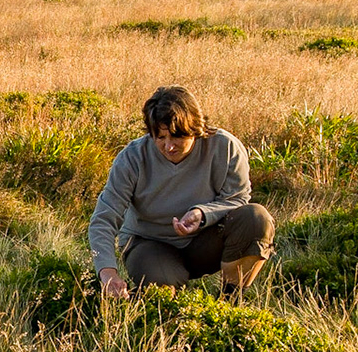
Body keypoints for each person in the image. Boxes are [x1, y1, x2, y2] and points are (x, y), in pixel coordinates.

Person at [88, 86, 274, 297]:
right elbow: (104, 218)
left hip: (205, 240)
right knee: (161, 290)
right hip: (149, 243)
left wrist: (203, 215)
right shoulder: (131, 158)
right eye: (160, 137)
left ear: (196, 128)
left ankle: (230, 300)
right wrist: (107, 273)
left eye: (177, 136)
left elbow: (238, 199)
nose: (169, 146)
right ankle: (169, 297)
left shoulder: (226, 147)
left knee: (256, 218)